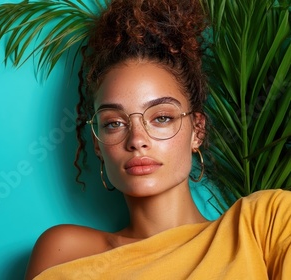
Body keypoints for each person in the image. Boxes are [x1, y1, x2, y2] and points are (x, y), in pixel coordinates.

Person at [24, 0, 291, 279]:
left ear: (197, 130)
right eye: (114, 123)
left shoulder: (264, 224)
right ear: (97, 144)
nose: (137, 140)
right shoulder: (65, 251)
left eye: (161, 118)